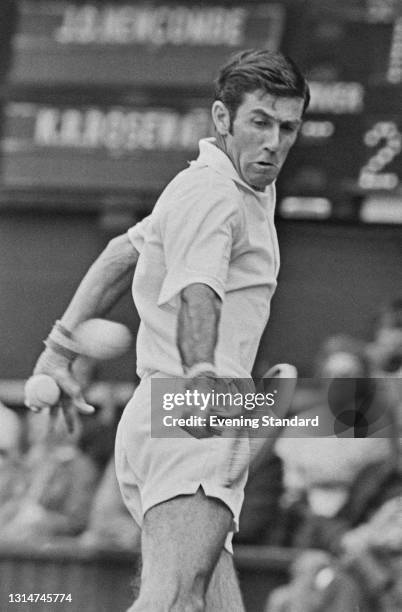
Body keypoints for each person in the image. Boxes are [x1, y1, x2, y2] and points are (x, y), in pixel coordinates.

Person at [26, 49, 310, 611]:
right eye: (260, 122)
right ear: (222, 118)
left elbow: (116, 255)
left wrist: (56, 352)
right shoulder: (214, 194)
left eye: (287, 127)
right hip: (192, 415)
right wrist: (202, 375)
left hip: (169, 414)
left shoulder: (209, 186)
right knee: (174, 602)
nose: (274, 142)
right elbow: (198, 290)